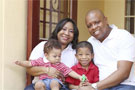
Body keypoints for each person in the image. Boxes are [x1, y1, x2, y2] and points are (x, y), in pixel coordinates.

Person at [78, 9, 135, 90]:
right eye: (89, 26)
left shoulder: (123, 36)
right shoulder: (90, 41)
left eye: (97, 22)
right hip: (100, 86)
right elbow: (87, 66)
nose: (93, 27)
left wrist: (94, 87)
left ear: (106, 20)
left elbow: (124, 73)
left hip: (124, 85)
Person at [24, 18, 79, 90]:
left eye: (71, 31)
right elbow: (29, 69)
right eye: (64, 29)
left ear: (74, 35)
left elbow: (76, 73)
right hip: (40, 85)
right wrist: (47, 70)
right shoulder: (43, 45)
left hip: (61, 86)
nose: (66, 33)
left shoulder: (75, 52)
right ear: (57, 30)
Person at [15, 39, 83, 90]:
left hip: (56, 81)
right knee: (38, 85)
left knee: (54, 83)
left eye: (59, 56)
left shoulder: (60, 65)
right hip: (43, 81)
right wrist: (20, 63)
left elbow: (70, 72)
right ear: (46, 55)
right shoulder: (41, 61)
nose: (57, 58)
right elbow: (29, 63)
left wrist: (79, 77)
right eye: (54, 56)